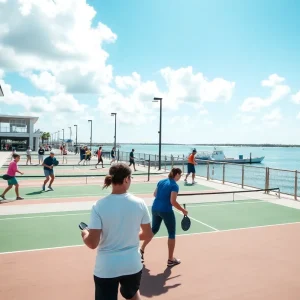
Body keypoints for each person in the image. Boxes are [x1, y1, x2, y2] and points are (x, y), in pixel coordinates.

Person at [81, 163, 153, 300]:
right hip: (133, 265)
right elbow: (148, 234)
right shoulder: (140, 203)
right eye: (131, 178)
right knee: (131, 294)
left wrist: (84, 234)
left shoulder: (99, 206)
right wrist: (130, 236)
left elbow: (92, 243)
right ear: (126, 179)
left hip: (107, 268)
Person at [140, 167, 188, 267]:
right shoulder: (174, 186)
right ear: (177, 174)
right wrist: (183, 210)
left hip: (155, 209)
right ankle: (170, 260)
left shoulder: (161, 181)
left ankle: (141, 249)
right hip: (166, 211)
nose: (180, 177)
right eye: (180, 175)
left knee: (154, 229)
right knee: (171, 233)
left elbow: (154, 194)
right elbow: (173, 201)